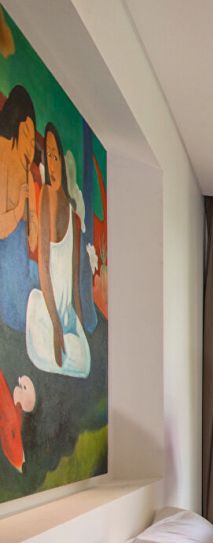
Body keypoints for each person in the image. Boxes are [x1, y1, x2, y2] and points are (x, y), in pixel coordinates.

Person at [25, 122, 89, 377]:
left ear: (61, 160)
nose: (51, 164)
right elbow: (43, 266)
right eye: (48, 156)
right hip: (47, 310)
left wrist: (78, 322)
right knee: (47, 353)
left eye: (55, 156)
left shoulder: (73, 214)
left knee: (85, 364)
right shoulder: (45, 197)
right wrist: (56, 327)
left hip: (66, 312)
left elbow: (74, 279)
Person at [0, 85, 37, 332]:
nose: (32, 148)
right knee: (20, 320)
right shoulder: (3, 154)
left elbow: (33, 242)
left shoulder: (27, 174)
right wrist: (17, 212)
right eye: (30, 138)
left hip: (20, 265)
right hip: (5, 267)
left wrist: (31, 219)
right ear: (19, 126)